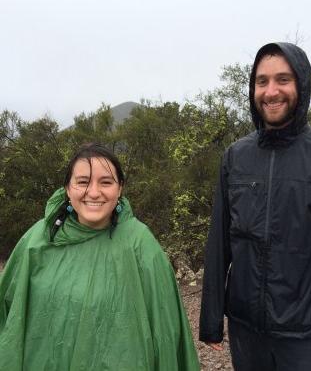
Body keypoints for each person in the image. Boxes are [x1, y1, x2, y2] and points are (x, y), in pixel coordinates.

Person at [199, 42, 311, 371]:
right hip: (246, 333)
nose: (271, 91)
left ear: (301, 85)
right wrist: (211, 320)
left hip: (304, 337)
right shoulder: (235, 157)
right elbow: (219, 242)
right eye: (262, 81)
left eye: (282, 80)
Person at [0, 143, 200, 370]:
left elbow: (167, 331)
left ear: (120, 188)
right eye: (83, 182)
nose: (93, 192)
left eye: (106, 182)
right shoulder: (38, 240)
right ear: (68, 188)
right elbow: (8, 316)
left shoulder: (140, 243)